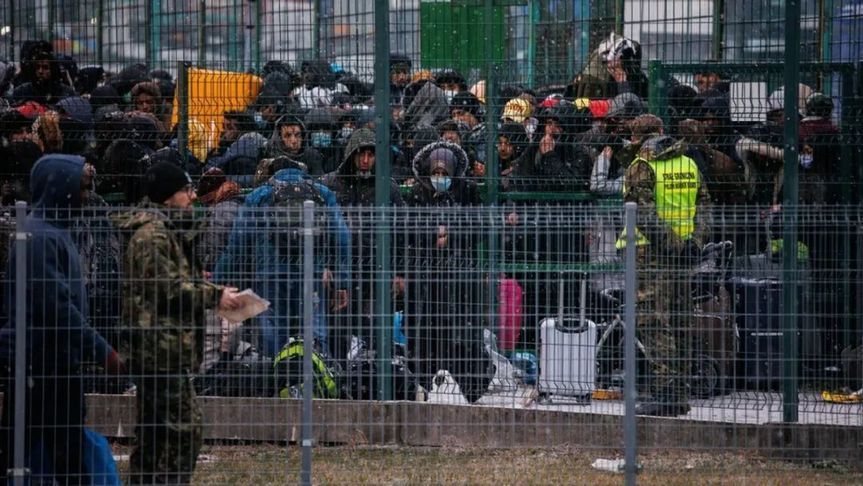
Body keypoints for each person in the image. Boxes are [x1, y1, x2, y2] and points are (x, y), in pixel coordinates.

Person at [113, 161, 243, 484]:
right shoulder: (152, 235)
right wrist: (214, 296)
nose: (193, 196)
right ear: (168, 196)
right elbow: (167, 288)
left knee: (156, 432)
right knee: (184, 429)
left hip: (162, 348)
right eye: (186, 190)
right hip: (158, 349)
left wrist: (200, 283)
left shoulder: (164, 231)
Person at [0, 154, 125, 484]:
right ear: (60, 189)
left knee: (47, 451)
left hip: (52, 362)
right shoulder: (42, 237)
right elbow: (58, 308)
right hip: (42, 366)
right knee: (54, 454)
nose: (86, 196)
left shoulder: (54, 231)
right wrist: (102, 351)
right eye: (81, 188)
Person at [216, 156, 351, 358]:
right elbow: (342, 237)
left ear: (272, 174)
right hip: (311, 272)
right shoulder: (322, 193)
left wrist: (218, 281)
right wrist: (342, 282)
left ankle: (276, 370)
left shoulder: (259, 195)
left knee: (272, 328)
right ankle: (316, 368)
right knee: (313, 327)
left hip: (270, 273)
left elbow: (238, 243)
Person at [616, 135, 711, 417]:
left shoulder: (643, 165)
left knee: (654, 321)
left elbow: (641, 213)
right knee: (681, 321)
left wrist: (674, 244)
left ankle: (666, 391)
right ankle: (678, 393)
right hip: (684, 256)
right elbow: (705, 206)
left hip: (652, 255)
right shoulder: (688, 164)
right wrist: (695, 242)